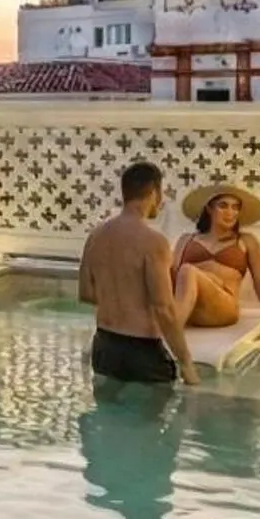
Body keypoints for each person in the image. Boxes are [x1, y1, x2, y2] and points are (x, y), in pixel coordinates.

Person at [76, 161, 200, 389]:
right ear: (154, 193)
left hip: (104, 348)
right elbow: (163, 308)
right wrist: (186, 363)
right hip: (142, 353)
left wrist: (120, 300)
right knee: (153, 421)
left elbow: (85, 293)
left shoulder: (95, 236)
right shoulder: (153, 242)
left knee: (108, 419)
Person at [172, 182, 260, 333]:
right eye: (223, 206)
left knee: (188, 270)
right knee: (161, 264)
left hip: (223, 307)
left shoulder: (246, 241)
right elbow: (172, 276)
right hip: (190, 306)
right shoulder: (186, 239)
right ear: (209, 208)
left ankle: (172, 335)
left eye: (235, 207)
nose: (230, 212)